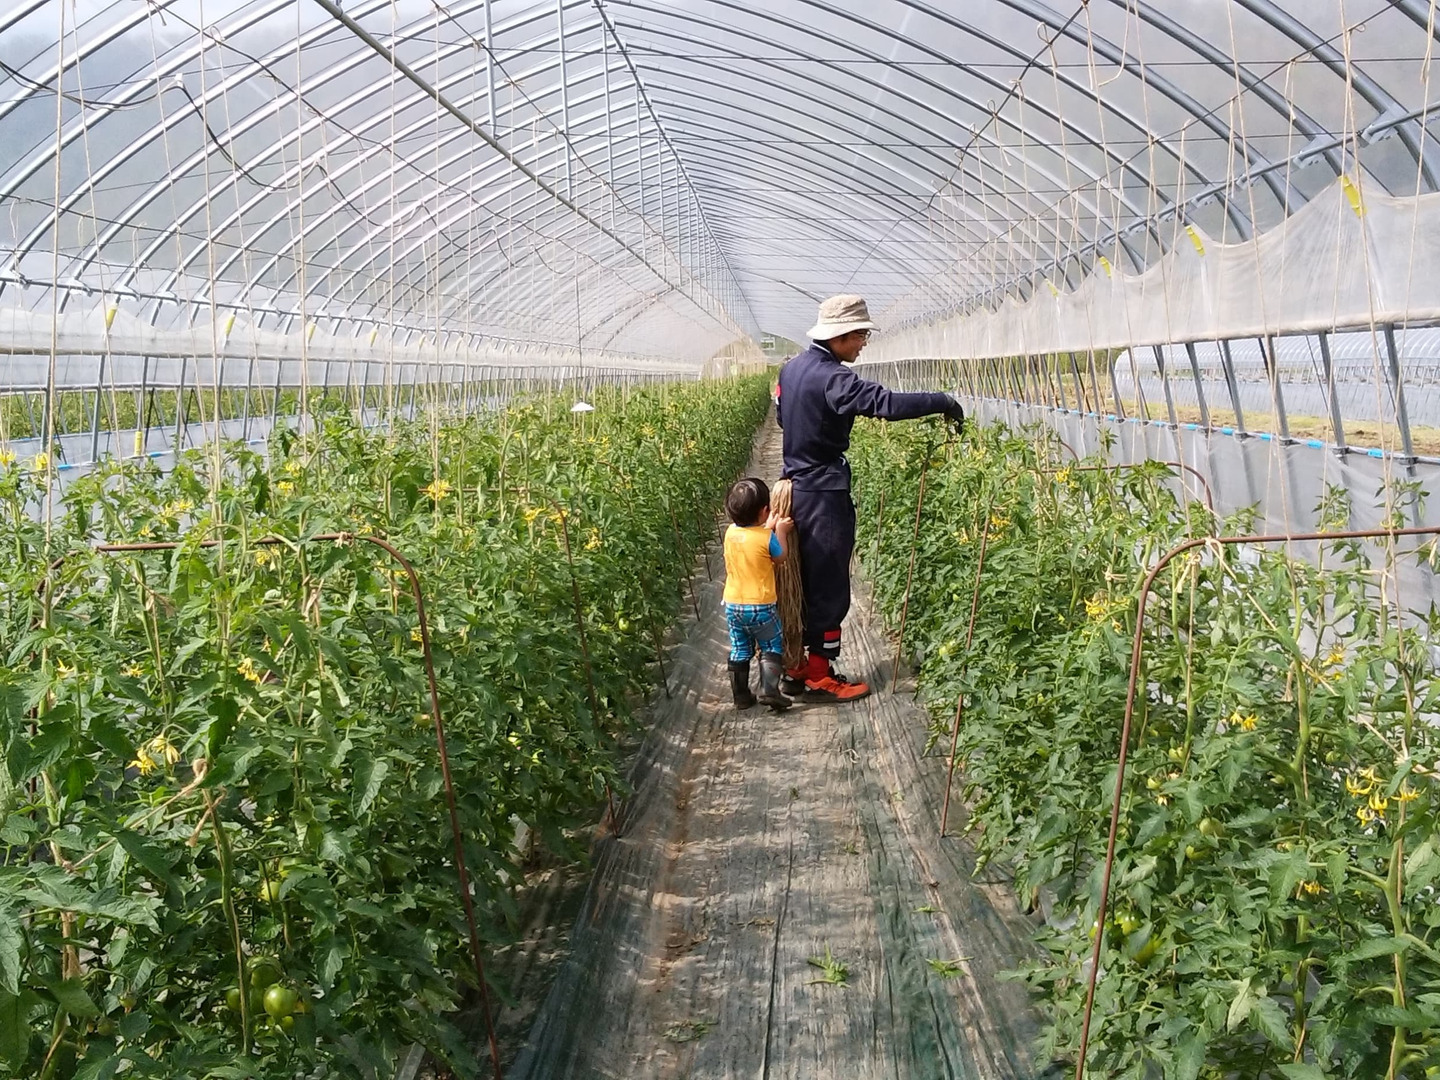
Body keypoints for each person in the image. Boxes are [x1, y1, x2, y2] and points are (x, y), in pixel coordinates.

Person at [776, 294, 965, 702]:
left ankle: (797, 667)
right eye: (860, 334)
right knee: (828, 584)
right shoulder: (833, 378)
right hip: (823, 493)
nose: (863, 341)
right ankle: (819, 677)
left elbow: (781, 417)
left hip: (796, 485)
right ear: (840, 336)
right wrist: (942, 401)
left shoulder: (791, 370)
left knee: (803, 579)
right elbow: (886, 404)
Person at [722, 477, 795, 711]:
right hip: (761, 606)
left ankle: (741, 696)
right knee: (771, 645)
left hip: (733, 605)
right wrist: (780, 531)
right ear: (765, 511)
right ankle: (770, 690)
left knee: (740, 648)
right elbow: (780, 556)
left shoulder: (730, 534)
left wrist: (766, 524)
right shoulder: (766, 537)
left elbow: (749, 540)